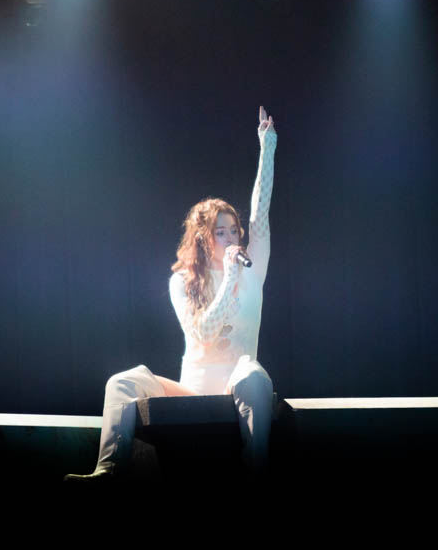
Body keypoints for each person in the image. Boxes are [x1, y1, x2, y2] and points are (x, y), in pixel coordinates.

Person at [64, 106, 278, 482]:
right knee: (122, 382)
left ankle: (257, 472)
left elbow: (260, 214)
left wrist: (268, 145)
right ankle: (109, 470)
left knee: (255, 374)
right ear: (204, 239)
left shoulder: (252, 270)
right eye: (221, 232)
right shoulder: (182, 281)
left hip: (237, 390)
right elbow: (204, 334)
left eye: (234, 230)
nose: (231, 238)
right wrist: (228, 278)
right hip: (191, 393)